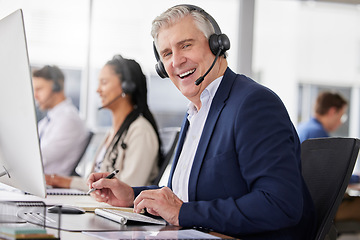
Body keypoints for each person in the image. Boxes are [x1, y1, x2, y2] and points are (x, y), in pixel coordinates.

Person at [87, 5, 316, 239]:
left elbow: (279, 204)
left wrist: (183, 213)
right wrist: (132, 195)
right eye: (166, 54)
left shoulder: (253, 103)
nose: (176, 61)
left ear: (217, 45)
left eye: (186, 45)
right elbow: (185, 196)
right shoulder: (197, 112)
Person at [45, 55, 162, 191]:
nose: (97, 90)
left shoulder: (141, 131)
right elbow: (93, 182)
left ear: (127, 87)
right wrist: (60, 180)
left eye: (104, 82)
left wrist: (64, 181)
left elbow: (129, 188)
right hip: (99, 204)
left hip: (117, 210)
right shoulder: (113, 131)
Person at [296, 92, 360, 222]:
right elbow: (332, 175)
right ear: (332, 111)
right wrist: (357, 178)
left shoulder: (304, 127)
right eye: (341, 116)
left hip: (303, 201)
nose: (341, 122)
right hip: (317, 205)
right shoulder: (318, 133)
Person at [32, 65, 90, 176]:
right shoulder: (48, 120)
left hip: (53, 187)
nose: (35, 96)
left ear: (56, 87)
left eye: (39, 89)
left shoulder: (69, 120)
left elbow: (39, 159)